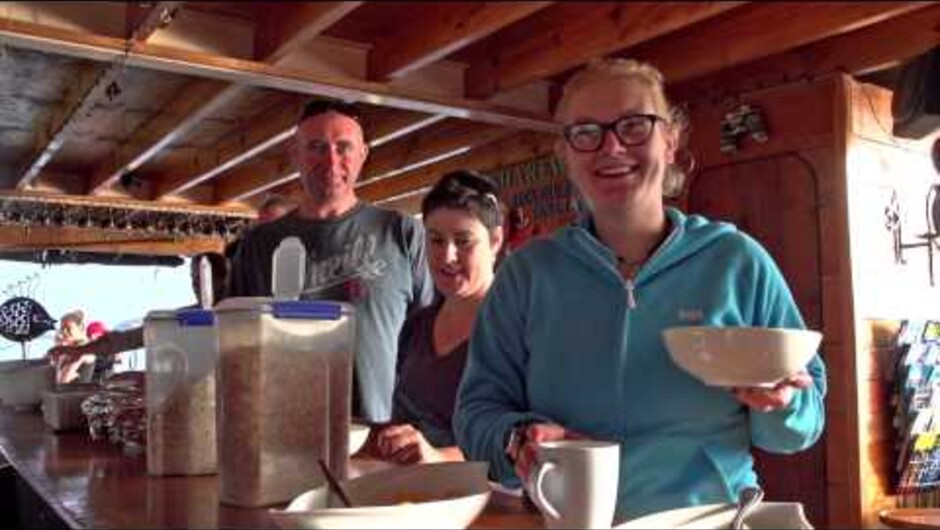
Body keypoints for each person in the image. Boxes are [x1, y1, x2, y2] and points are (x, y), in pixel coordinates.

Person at [453, 58, 827, 520]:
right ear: (565, 153)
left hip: (708, 521)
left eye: (633, 126)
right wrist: (517, 439)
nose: (611, 147)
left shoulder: (737, 261)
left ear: (670, 141)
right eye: (586, 132)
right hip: (568, 521)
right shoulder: (526, 275)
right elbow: (475, 415)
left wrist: (781, 404)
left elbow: (799, 427)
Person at [227, 99, 435, 422]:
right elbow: (236, 349)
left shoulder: (404, 233)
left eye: (343, 147)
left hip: (382, 437)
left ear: (363, 154)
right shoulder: (259, 245)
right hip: (284, 433)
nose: (331, 160)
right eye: (316, 147)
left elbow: (430, 342)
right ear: (295, 154)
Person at [361, 170, 504, 464]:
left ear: (495, 241)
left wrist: (438, 457)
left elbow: (523, 444)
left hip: (486, 492)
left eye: (463, 241)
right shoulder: (417, 326)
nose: (448, 256)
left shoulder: (518, 328)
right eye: (436, 241)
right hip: (408, 487)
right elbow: (401, 426)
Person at [47, 252, 229, 378]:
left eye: (201, 278)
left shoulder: (236, 316)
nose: (195, 284)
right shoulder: (185, 318)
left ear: (223, 279)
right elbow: (129, 338)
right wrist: (80, 350)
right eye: (192, 278)